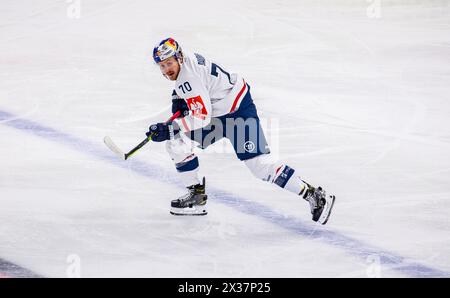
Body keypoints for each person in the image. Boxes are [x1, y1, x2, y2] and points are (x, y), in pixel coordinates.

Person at [147, 37, 335, 224]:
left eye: (169, 63)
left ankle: (314, 195)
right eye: (162, 66)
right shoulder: (186, 62)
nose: (166, 70)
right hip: (218, 112)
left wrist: (173, 127)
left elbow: (201, 116)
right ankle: (196, 197)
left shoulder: (188, 78)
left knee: (260, 167)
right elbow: (194, 93)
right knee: (177, 144)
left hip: (238, 113)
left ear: (179, 57)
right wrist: (177, 103)